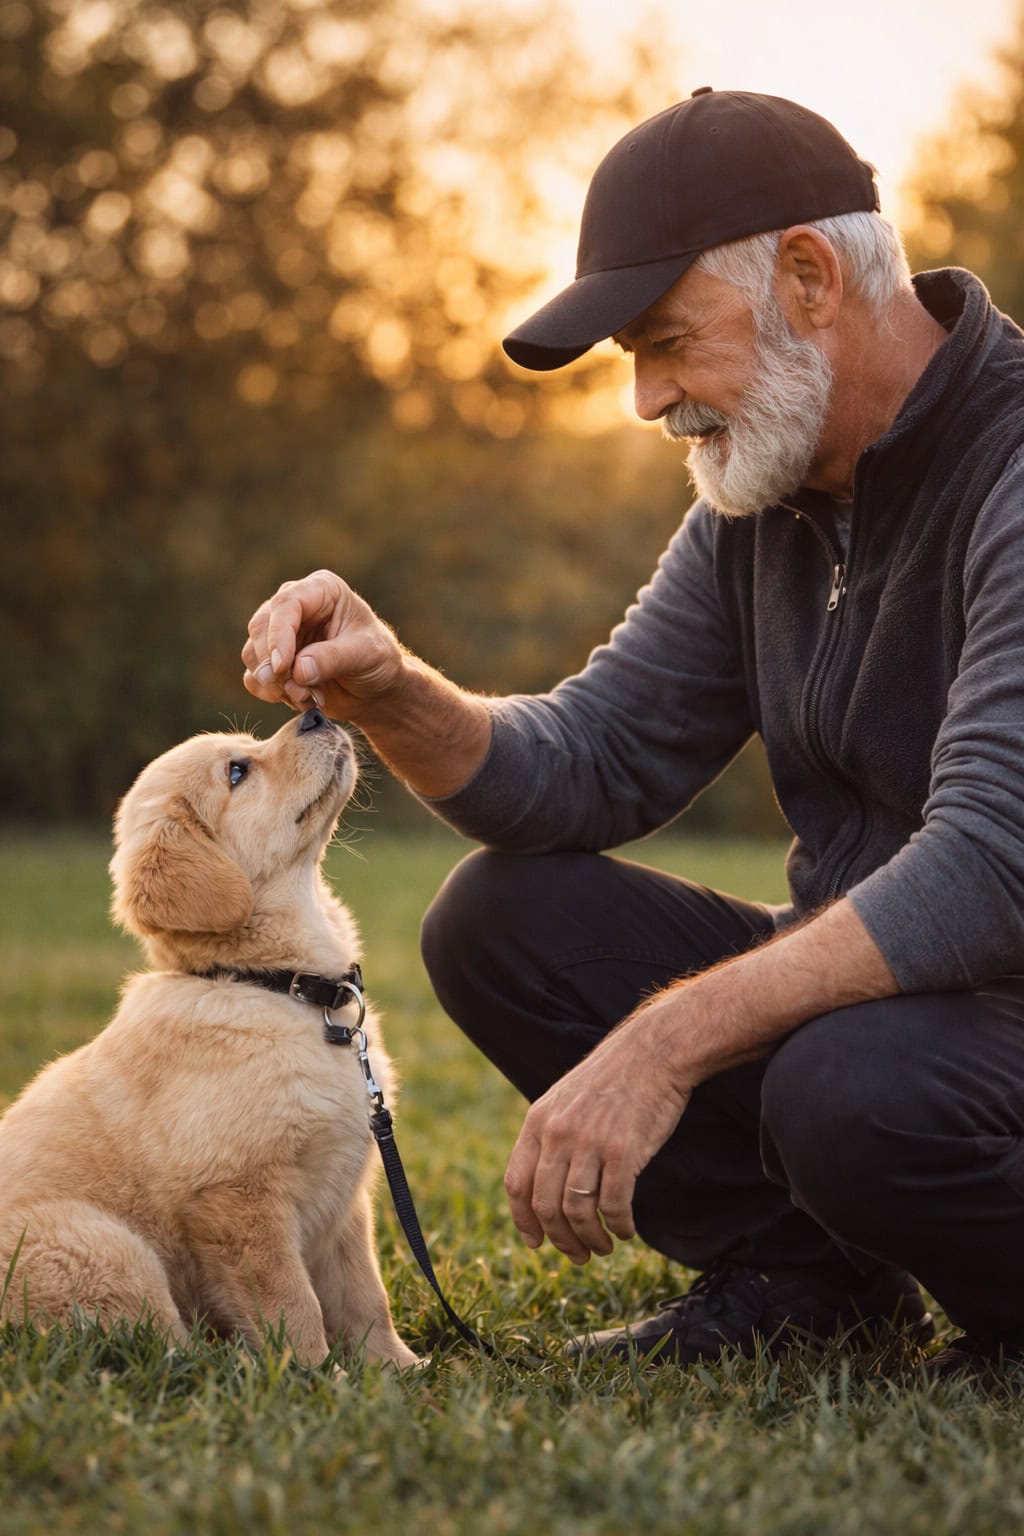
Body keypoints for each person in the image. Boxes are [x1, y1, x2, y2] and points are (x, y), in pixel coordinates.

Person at [242, 90, 1024, 1375]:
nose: (650, 399)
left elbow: (995, 866)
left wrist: (660, 1046)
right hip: (891, 1007)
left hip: (985, 996)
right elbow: (589, 763)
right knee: (502, 919)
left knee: (848, 1086)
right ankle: (806, 1280)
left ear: (810, 278)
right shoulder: (763, 492)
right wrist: (389, 688)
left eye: (669, 343)